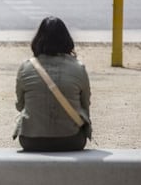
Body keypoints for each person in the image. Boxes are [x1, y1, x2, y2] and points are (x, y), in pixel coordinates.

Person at [13, 16, 92, 152]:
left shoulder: (26, 68)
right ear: (67, 40)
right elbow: (85, 104)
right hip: (71, 139)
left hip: (31, 139)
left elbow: (20, 105)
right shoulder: (78, 68)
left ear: (37, 39)